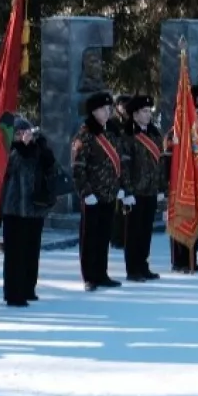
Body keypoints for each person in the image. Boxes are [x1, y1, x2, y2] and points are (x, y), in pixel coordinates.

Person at [0, 118, 65, 304]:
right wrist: (23, 148)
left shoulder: (39, 149)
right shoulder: (9, 151)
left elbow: (53, 170)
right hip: (14, 209)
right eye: (18, 134)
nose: (23, 137)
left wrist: (43, 150)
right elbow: (11, 167)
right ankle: (13, 293)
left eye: (25, 132)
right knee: (14, 254)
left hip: (35, 208)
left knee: (31, 251)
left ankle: (29, 288)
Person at [72, 92, 126, 286]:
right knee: (90, 237)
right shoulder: (85, 134)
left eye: (109, 108)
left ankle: (102, 273)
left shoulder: (111, 132)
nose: (108, 111)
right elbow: (78, 167)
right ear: (94, 111)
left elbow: (117, 161)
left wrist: (119, 186)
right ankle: (89, 276)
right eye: (104, 108)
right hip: (92, 194)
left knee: (104, 236)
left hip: (109, 192)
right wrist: (86, 192)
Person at [119, 96, 166, 281]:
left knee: (146, 231)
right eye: (144, 111)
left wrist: (161, 187)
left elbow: (160, 162)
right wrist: (127, 191)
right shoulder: (127, 134)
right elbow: (124, 166)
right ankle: (132, 269)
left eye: (149, 111)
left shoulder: (155, 134)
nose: (148, 115)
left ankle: (143, 265)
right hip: (135, 191)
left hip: (151, 189)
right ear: (135, 114)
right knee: (133, 232)